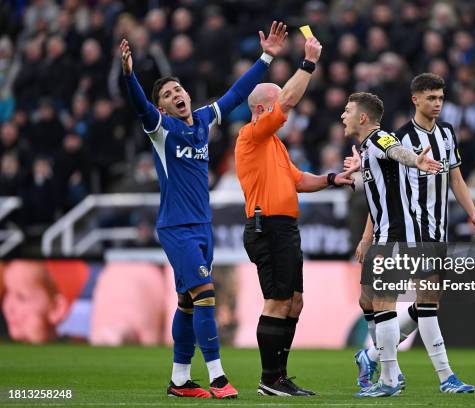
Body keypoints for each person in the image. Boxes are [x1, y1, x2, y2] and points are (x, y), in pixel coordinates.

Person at [120, 21, 288, 399]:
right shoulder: (160, 128)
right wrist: (129, 77)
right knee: (206, 294)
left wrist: (266, 57)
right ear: (162, 105)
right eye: (168, 94)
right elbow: (139, 106)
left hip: (202, 227)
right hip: (176, 227)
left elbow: (236, 92)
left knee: (187, 304)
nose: (176, 94)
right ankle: (217, 377)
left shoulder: (204, 121)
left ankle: (179, 381)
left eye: (177, 88)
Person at [349, 74, 475, 396]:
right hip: (410, 230)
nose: (437, 104)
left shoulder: (448, 134)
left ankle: (372, 356)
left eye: (441, 98)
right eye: (431, 98)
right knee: (410, 302)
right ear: (416, 99)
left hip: (438, 229)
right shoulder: (399, 138)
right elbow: (386, 193)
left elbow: (456, 180)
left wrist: (473, 213)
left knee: (428, 302)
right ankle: (444, 376)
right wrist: (368, 236)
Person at [235, 35, 355, 397]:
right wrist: (308, 63)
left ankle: (279, 376)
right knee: (276, 301)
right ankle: (268, 380)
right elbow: (287, 98)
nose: (286, 112)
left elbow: (299, 180)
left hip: (284, 227)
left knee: (294, 301)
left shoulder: (274, 145)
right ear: (261, 110)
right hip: (266, 225)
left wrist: (334, 178)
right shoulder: (251, 137)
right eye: (276, 107)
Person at [339, 92, 441, 397]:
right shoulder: (366, 149)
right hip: (382, 235)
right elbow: (376, 193)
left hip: (396, 236)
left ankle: (389, 378)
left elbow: (397, 150)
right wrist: (365, 237)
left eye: (347, 111)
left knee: (383, 304)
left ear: (362, 118)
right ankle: (376, 362)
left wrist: (416, 160)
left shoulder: (380, 139)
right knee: (367, 301)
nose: (342, 116)